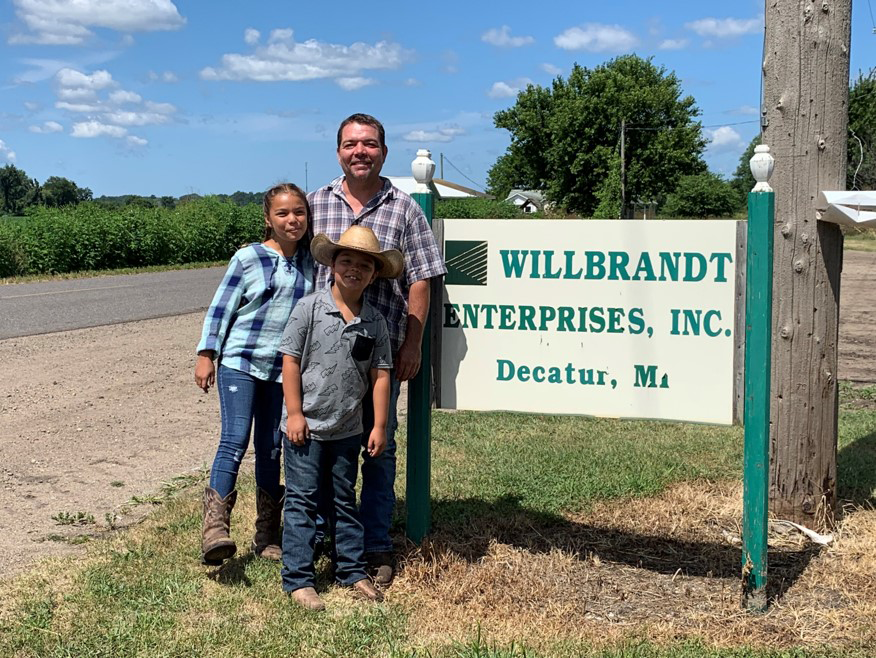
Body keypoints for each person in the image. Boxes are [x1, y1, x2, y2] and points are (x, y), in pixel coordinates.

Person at [308, 113, 446, 585]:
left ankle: (376, 545)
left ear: (383, 152)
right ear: (339, 151)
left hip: (378, 355)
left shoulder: (403, 207)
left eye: (369, 144)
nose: (359, 151)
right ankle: (324, 537)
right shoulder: (316, 204)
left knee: (377, 448)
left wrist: (413, 343)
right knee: (325, 448)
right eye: (350, 144)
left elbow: (422, 278)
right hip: (322, 356)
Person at [278, 225, 403, 610]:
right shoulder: (310, 308)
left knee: (344, 500)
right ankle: (299, 579)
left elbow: (381, 375)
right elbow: (290, 360)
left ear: (374, 273)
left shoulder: (375, 321)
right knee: (301, 501)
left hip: (349, 429)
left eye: (364, 265)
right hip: (306, 430)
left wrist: (379, 424)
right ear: (332, 265)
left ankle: (350, 569)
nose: (354, 269)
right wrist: (295, 413)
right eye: (346, 261)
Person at [195, 183, 314, 565]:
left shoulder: (313, 261)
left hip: (284, 370)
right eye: (282, 213)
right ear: (268, 219)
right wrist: (206, 353)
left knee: (271, 448)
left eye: (298, 212)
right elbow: (221, 308)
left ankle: (267, 533)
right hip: (241, 362)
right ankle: (215, 528)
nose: (291, 220)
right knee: (234, 440)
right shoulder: (249, 258)